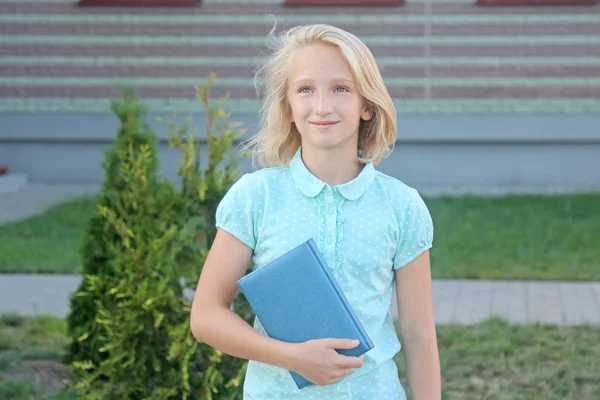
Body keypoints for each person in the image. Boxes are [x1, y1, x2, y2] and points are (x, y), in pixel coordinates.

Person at [190, 23, 441, 400]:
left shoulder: (401, 206)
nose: (322, 106)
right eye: (305, 89)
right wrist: (292, 356)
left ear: (367, 106)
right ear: (288, 106)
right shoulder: (255, 197)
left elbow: (420, 335)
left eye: (341, 89)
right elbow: (206, 316)